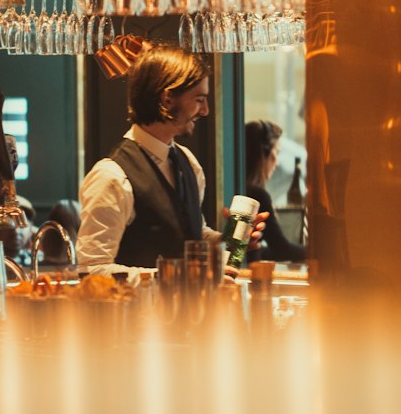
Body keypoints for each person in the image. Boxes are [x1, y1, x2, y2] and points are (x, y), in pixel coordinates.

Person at [78, 45, 262, 272]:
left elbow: (191, 233)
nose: (205, 110)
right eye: (199, 99)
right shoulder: (111, 176)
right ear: (167, 101)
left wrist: (227, 240)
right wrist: (175, 278)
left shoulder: (188, 162)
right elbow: (92, 269)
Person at [244, 120, 307, 265]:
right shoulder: (258, 195)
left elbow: (261, 251)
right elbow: (281, 249)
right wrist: (319, 252)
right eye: (276, 152)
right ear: (263, 154)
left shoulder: (243, 190)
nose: (277, 161)